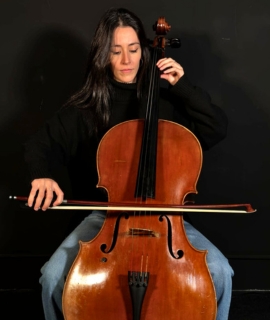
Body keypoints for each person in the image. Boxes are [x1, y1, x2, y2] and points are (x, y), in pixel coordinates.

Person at [24, 7, 233, 320]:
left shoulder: (167, 100)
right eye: (116, 51)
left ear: (144, 50)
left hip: (166, 220)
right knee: (52, 278)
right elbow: (37, 144)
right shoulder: (88, 108)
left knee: (220, 272)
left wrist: (182, 86)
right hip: (106, 218)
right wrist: (41, 176)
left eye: (133, 50)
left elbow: (216, 127)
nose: (126, 60)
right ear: (102, 54)